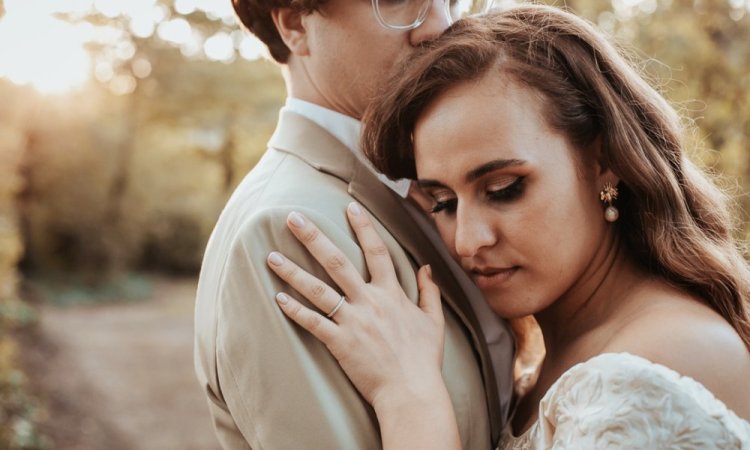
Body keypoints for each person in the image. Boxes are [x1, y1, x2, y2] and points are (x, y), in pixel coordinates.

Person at [265, 4, 750, 449]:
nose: (467, 240)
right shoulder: (552, 359)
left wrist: (408, 398)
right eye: (443, 201)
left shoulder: (661, 361)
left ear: (605, 162)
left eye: (504, 189)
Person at [193, 1, 517, 449]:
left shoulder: (433, 186)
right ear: (294, 25)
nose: (441, 25)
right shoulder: (289, 231)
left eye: (451, 0)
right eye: (397, 2)